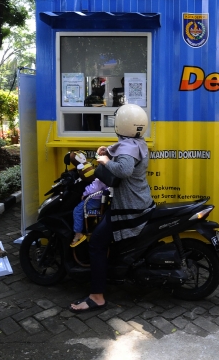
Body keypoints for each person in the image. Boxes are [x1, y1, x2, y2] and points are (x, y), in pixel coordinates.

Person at [70, 104, 155, 313]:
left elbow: (124, 169)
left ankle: (97, 296)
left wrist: (106, 160)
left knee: (97, 243)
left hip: (129, 207)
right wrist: (108, 150)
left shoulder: (129, 147)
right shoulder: (137, 142)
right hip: (139, 202)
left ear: (121, 124)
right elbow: (125, 151)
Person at [70, 177, 109, 247]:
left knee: (77, 211)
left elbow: (95, 187)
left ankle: (78, 233)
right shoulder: (109, 171)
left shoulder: (102, 173)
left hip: (94, 200)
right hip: (100, 200)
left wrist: (84, 193)